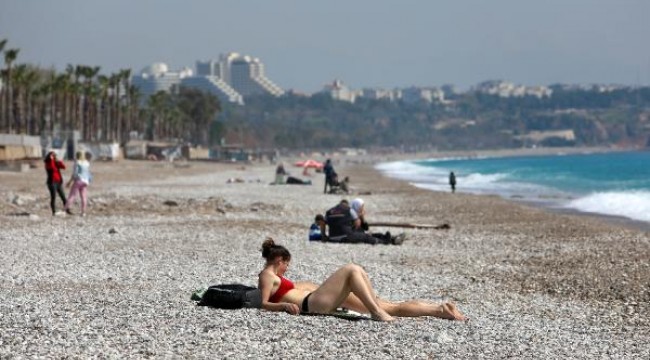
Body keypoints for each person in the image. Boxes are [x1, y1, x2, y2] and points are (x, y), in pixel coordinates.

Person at [258, 238, 467, 321]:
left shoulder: (276, 276)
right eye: (287, 263)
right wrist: (284, 306)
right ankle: (376, 314)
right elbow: (264, 304)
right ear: (278, 260)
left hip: (314, 298)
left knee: (389, 305)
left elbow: (289, 289)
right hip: (311, 304)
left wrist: (303, 287)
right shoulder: (266, 275)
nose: (288, 267)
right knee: (351, 269)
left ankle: (440, 310)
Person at [317, 199, 404, 245]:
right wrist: (360, 218)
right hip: (345, 236)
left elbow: (323, 223)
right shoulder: (349, 210)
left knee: (364, 234)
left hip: (333, 238)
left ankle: (390, 238)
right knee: (365, 236)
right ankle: (388, 241)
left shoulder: (329, 211)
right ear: (347, 204)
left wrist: (324, 236)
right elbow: (358, 224)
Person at [65, 151, 92, 216]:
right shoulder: (87, 163)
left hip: (79, 180)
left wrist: (69, 182)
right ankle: (83, 212)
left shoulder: (77, 163)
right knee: (83, 197)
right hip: (85, 181)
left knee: (72, 195)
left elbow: (75, 174)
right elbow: (88, 172)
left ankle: (65, 209)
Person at [44, 151, 69, 216]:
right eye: (53, 156)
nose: (54, 157)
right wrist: (51, 159)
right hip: (52, 183)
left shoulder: (56, 162)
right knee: (53, 197)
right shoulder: (48, 163)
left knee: (63, 196)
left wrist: (58, 161)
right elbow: (52, 167)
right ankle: (54, 212)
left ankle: (67, 209)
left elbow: (64, 167)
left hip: (58, 182)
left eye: (55, 156)